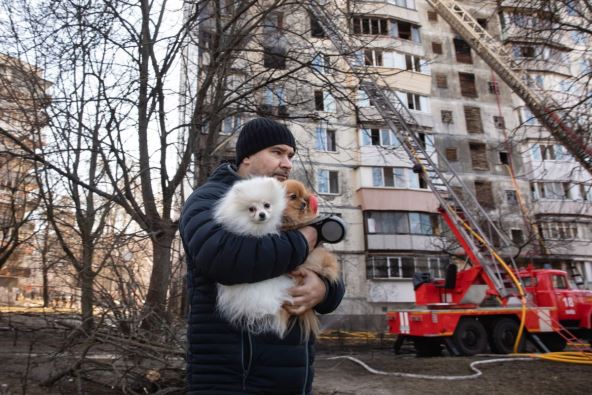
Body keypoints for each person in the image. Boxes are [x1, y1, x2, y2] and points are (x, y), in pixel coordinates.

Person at [179, 117, 345, 394]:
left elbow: (329, 273)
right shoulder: (209, 199)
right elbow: (225, 259)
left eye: (290, 155)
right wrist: (308, 237)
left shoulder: (286, 203)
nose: (287, 163)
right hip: (236, 381)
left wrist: (323, 288)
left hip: (290, 380)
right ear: (246, 156)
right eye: (277, 152)